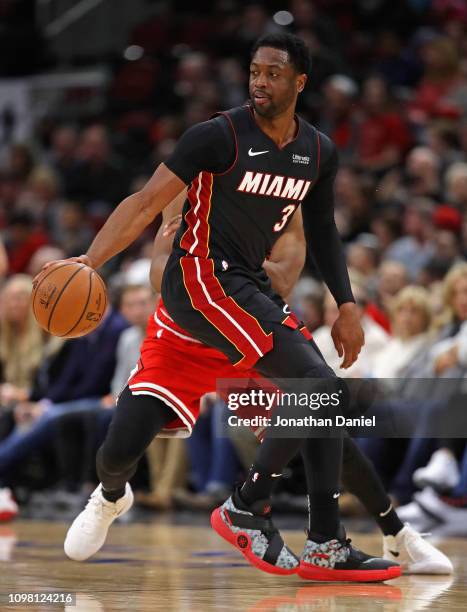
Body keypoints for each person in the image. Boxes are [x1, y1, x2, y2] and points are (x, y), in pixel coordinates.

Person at [51, 33, 399, 581]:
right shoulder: (216, 137)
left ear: (299, 82)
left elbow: (325, 234)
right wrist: (91, 262)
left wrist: (347, 303)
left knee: (323, 398)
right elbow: (145, 203)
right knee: (119, 451)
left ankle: (322, 537)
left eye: (273, 73)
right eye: (254, 71)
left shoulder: (316, 153)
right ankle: (116, 496)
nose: (259, 82)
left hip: (244, 302)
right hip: (198, 292)